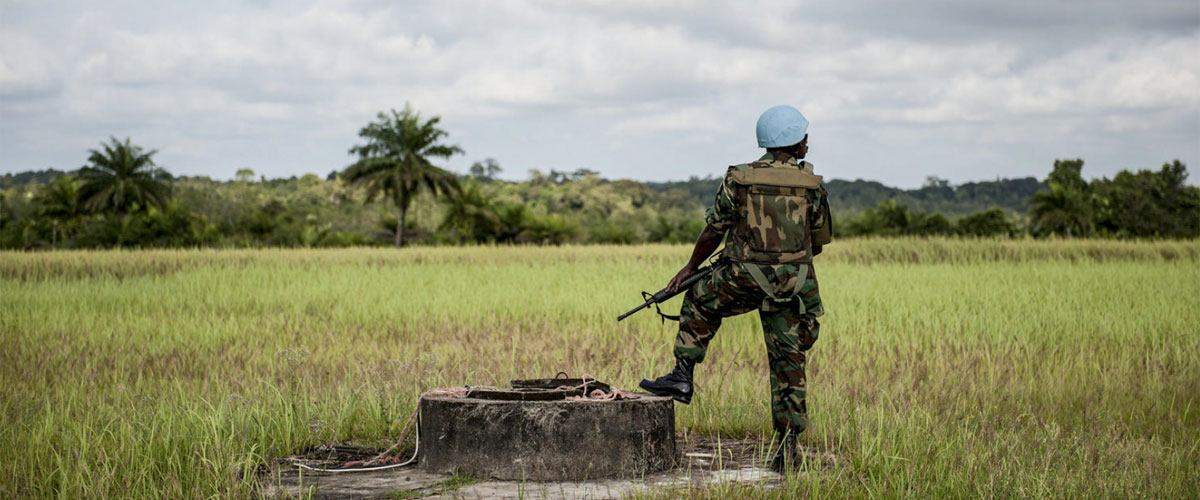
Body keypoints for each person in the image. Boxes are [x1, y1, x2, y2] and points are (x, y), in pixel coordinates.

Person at [639, 104, 832, 472]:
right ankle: (788, 449)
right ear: (794, 142)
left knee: (699, 296)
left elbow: (714, 230)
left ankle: (682, 375)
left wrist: (690, 268)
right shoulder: (813, 185)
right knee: (789, 362)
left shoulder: (739, 178)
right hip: (793, 284)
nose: (807, 141)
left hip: (741, 277)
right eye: (804, 136)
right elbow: (818, 240)